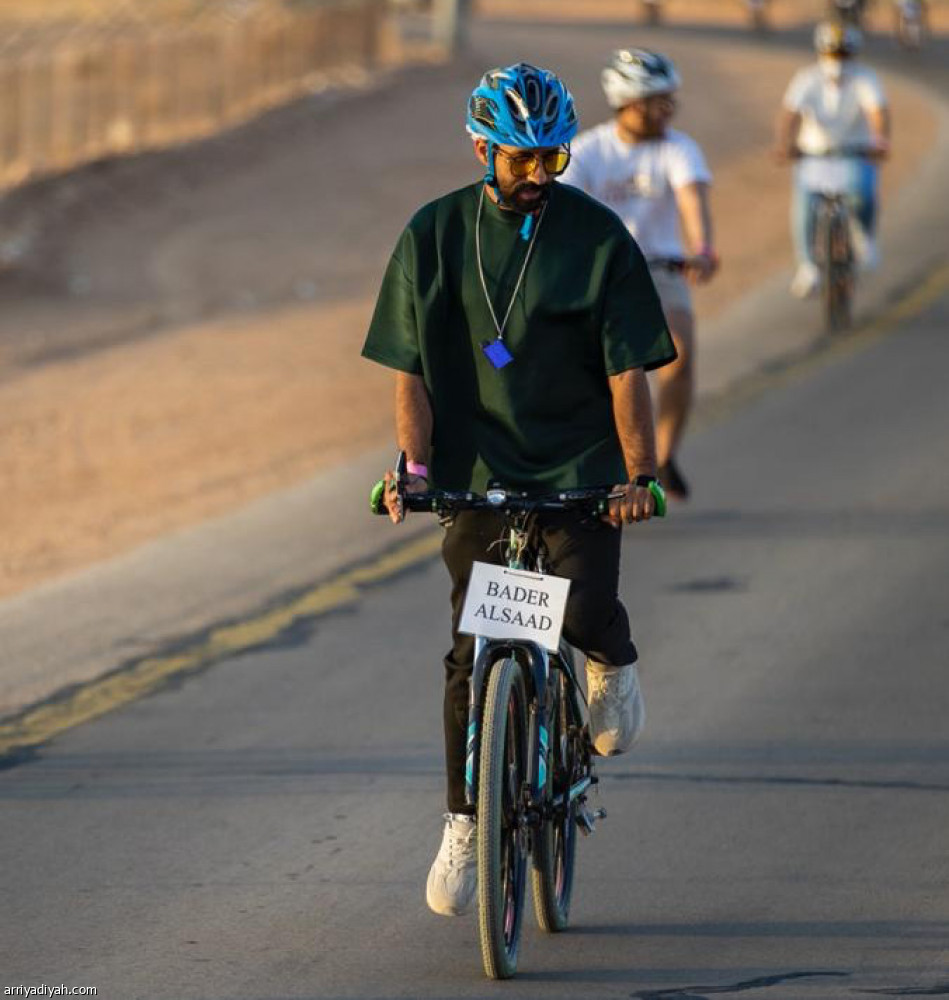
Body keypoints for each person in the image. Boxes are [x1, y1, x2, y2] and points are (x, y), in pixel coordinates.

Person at [362, 62, 676, 918]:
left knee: (576, 609)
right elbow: (411, 370)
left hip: (580, 466)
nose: (539, 175)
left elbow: (626, 371)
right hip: (478, 473)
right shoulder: (431, 234)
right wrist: (416, 471)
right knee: (473, 657)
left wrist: (636, 475)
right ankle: (466, 821)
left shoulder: (596, 237)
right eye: (521, 159)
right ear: (480, 148)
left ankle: (610, 660)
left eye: (553, 157)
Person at [560, 49, 718, 502]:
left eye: (670, 99)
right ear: (628, 102)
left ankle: (663, 457)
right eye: (657, 101)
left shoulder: (679, 148)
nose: (669, 109)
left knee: (681, 354)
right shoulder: (589, 149)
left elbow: (692, 201)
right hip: (602, 275)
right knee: (597, 372)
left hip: (661, 268)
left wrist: (702, 248)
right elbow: (563, 208)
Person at [774, 21, 890, 299]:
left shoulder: (865, 78)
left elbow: (878, 112)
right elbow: (789, 114)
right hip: (813, 155)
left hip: (854, 153)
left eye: (843, 54)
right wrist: (783, 145)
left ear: (854, 54)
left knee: (864, 195)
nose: (837, 61)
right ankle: (807, 266)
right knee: (804, 209)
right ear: (820, 52)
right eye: (832, 54)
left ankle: (864, 237)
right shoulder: (807, 78)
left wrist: (880, 141)